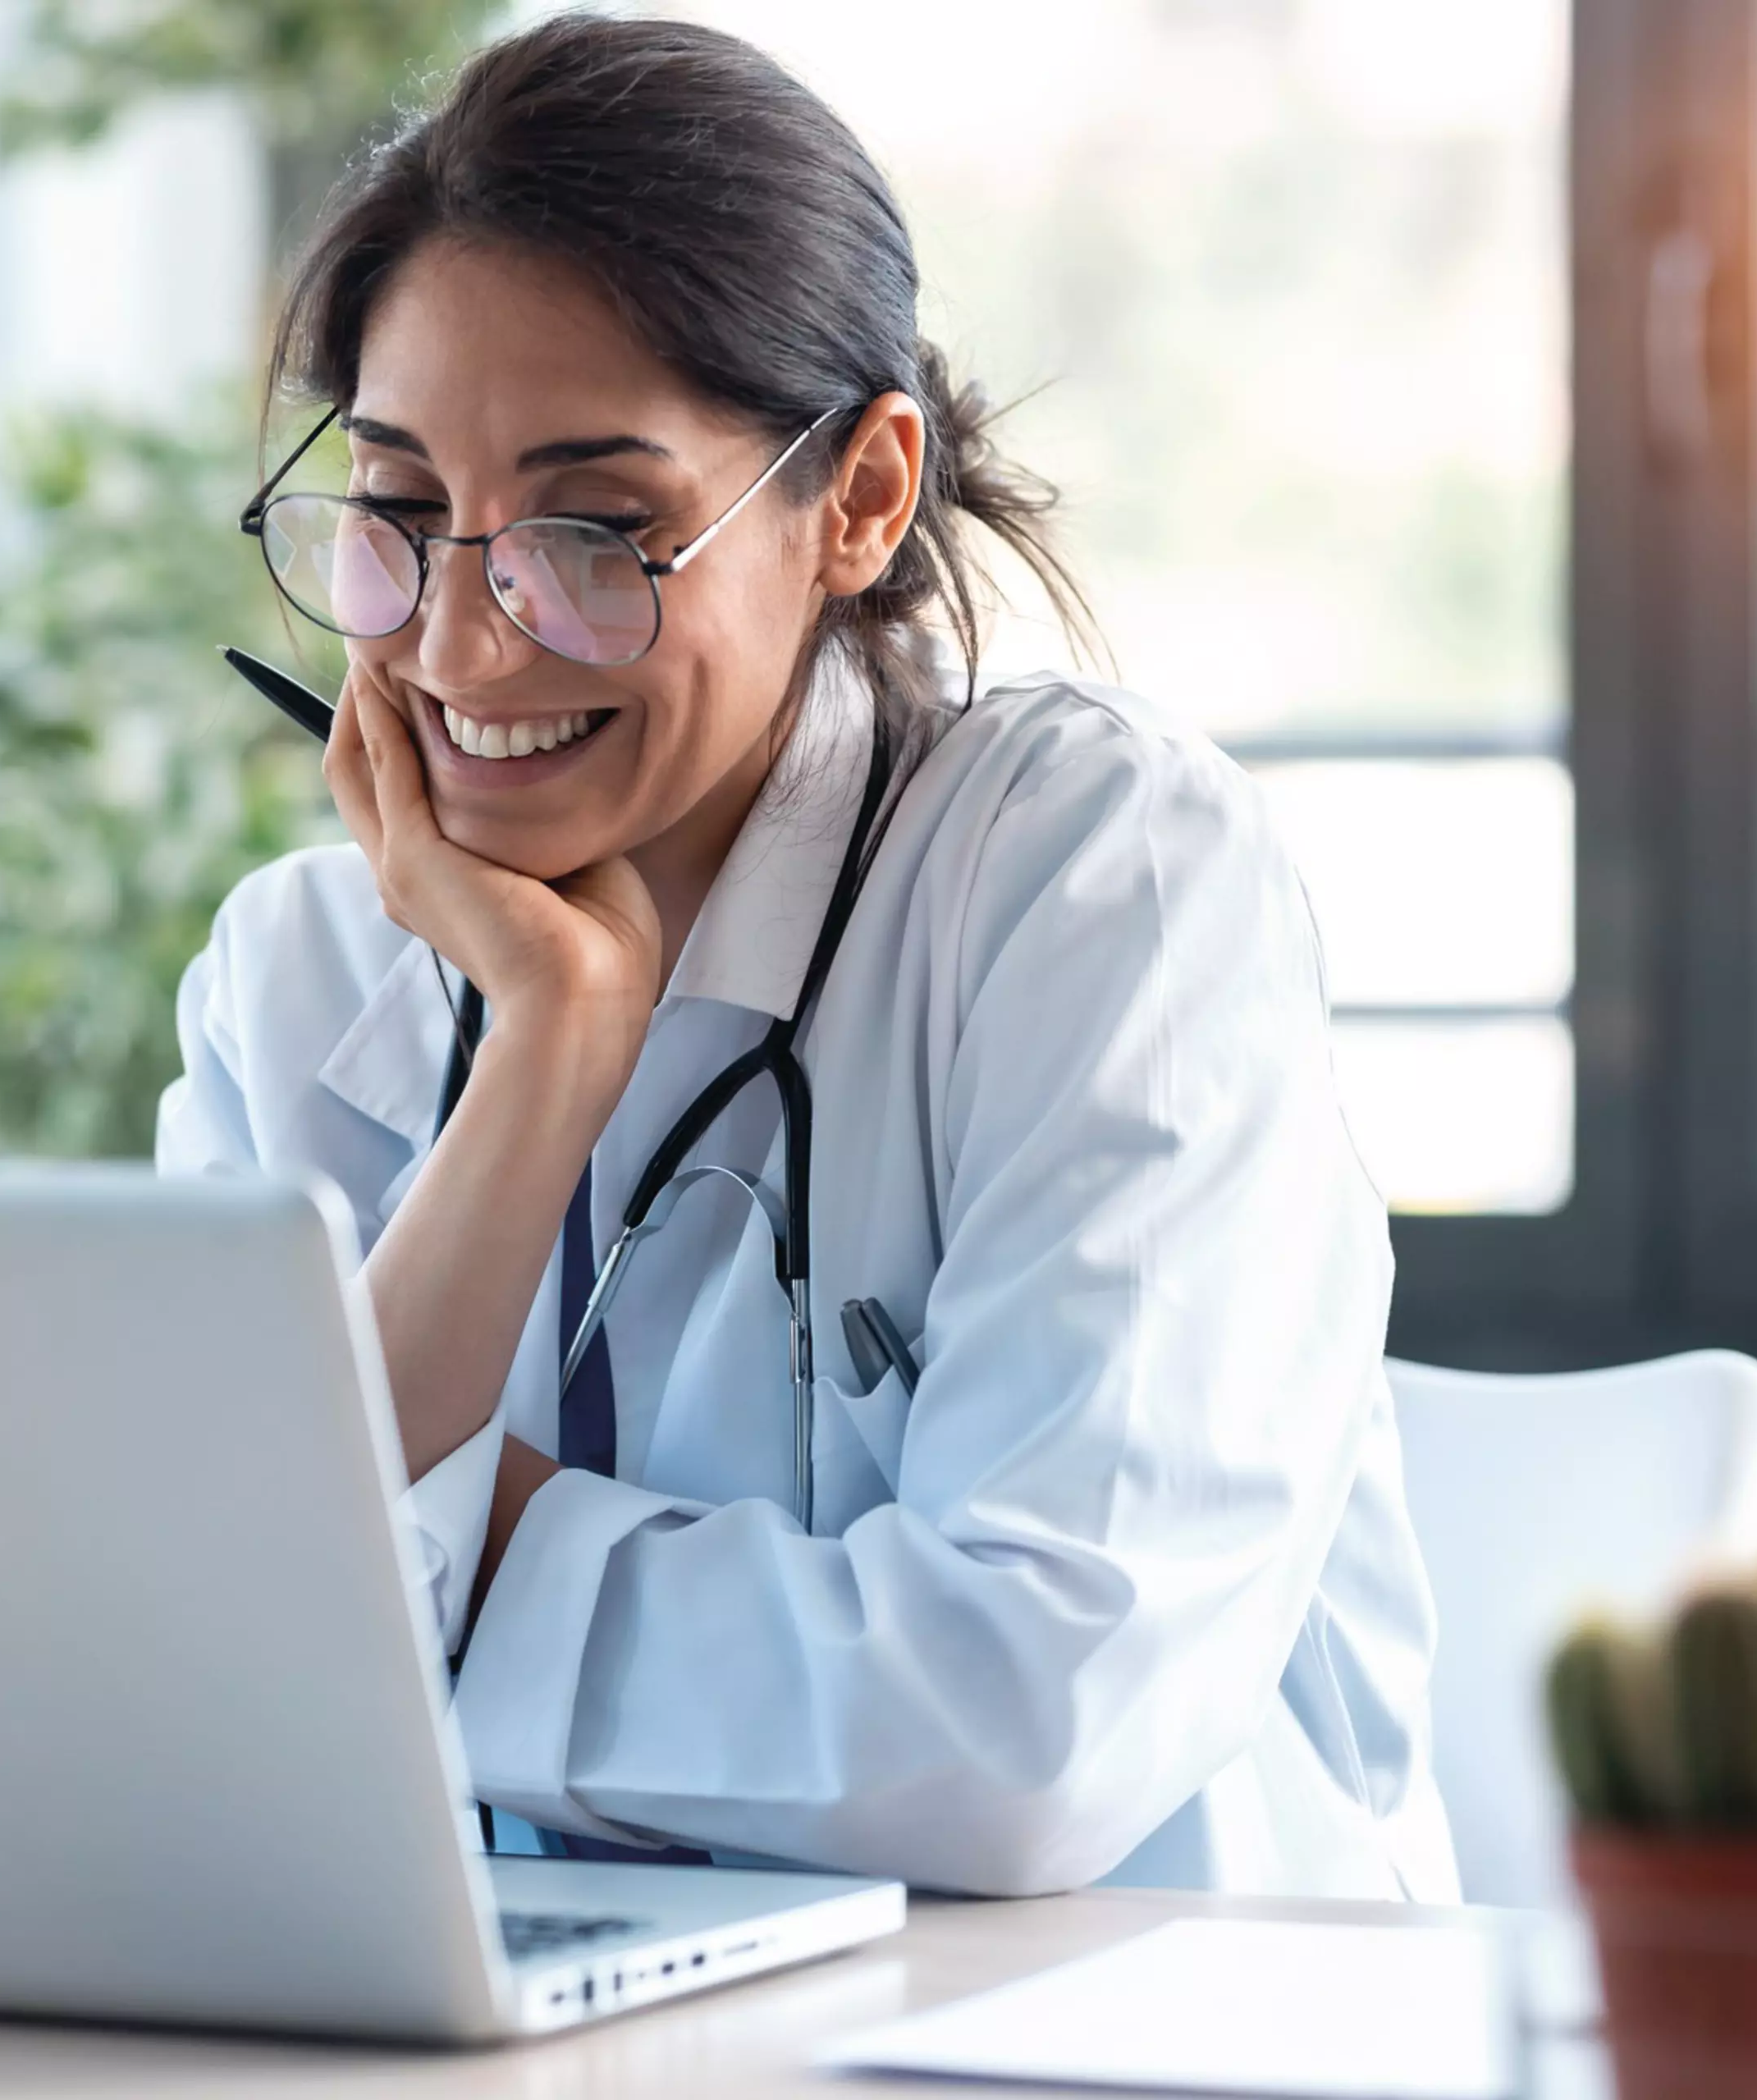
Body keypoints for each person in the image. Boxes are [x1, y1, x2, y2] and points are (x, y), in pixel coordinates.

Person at [157, 14, 1456, 1902]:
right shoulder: (298, 978)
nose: (465, 646)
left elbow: (1028, 1732)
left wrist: (440, 1563)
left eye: (597, 529)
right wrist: (542, 1058)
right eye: (401, 513)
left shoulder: (1093, 881)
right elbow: (195, 1685)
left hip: (1136, 2022)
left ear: (856, 499)